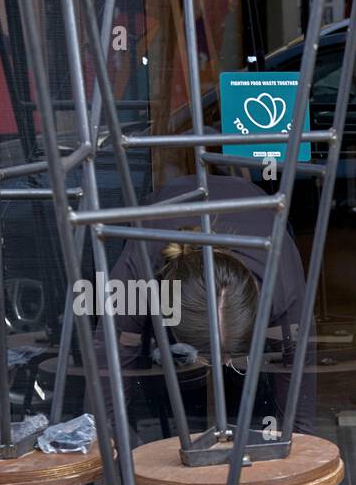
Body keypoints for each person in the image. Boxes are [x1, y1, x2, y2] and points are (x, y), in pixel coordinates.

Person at [98, 173, 315, 437]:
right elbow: (110, 365)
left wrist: (300, 442)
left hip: (254, 205)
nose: (220, 363)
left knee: (256, 386)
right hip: (169, 201)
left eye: (229, 357)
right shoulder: (138, 266)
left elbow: (297, 370)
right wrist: (116, 442)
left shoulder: (283, 278)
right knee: (150, 367)